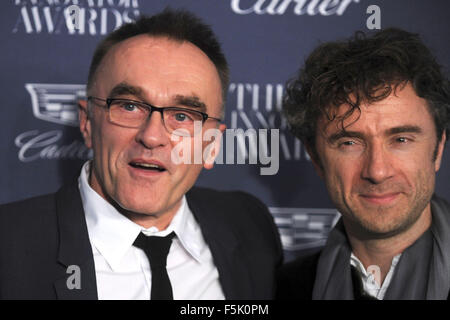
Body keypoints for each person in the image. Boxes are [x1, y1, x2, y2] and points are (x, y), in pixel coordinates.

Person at [0, 8, 282, 300]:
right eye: (129, 106)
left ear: (212, 145)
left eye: (183, 116)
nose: (151, 136)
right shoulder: (8, 247)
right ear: (87, 122)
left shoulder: (249, 225)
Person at [277, 28, 450, 300]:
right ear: (316, 159)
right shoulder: (284, 289)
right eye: (349, 143)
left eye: (401, 140)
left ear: (438, 149)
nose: (377, 171)